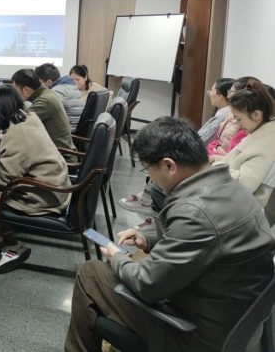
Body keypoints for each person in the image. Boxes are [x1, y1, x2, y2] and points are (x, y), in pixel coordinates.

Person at [64, 116, 275, 352]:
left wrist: (117, 257)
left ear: (169, 166)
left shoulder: (195, 212)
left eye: (147, 169)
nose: (149, 177)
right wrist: (148, 239)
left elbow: (147, 284)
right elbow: (204, 242)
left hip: (195, 336)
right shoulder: (232, 188)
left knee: (91, 274)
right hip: (228, 322)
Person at [0, 86, 71, 273]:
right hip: (55, 185)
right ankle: (1, 241)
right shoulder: (29, 117)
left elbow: (5, 178)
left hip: (43, 195)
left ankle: (11, 245)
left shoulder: (17, 134)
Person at [119, 77, 236, 216]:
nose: (209, 93)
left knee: (161, 158)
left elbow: (201, 139)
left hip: (203, 155)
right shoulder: (224, 115)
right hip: (206, 153)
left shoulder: (224, 117)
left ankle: (148, 201)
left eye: (211, 91)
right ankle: (147, 199)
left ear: (221, 96)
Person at [213, 78, 275, 223]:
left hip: (243, 210)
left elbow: (243, 185)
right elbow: (236, 162)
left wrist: (214, 166)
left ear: (256, 115)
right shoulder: (262, 133)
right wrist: (213, 159)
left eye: (239, 119)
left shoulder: (266, 142)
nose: (238, 124)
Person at [34, 63, 85, 131]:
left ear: (49, 82)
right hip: (73, 127)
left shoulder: (57, 91)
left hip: (68, 132)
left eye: (40, 83)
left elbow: (40, 113)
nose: (38, 86)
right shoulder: (69, 86)